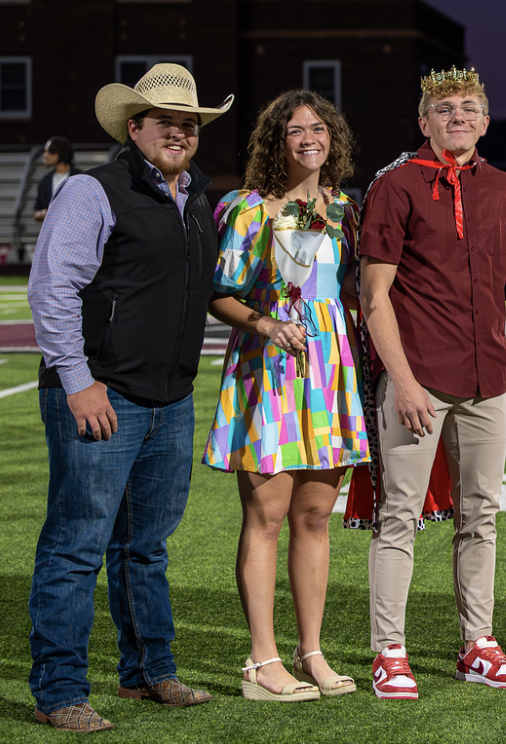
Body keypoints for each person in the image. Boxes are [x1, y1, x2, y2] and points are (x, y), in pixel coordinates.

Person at [27, 63, 230, 731]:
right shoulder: (94, 190)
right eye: (164, 120)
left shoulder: (195, 197)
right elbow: (53, 289)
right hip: (100, 395)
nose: (179, 131)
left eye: (189, 122)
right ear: (133, 126)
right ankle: (60, 689)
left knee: (145, 545)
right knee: (76, 544)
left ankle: (148, 672)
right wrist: (78, 380)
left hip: (169, 399)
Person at [359, 66, 506, 699]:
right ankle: (389, 650)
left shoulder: (501, 186)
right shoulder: (396, 186)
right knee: (400, 517)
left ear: (486, 120)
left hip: (487, 378)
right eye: (445, 108)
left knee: (482, 517)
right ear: (424, 121)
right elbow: (374, 298)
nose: (459, 116)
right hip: (419, 380)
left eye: (470, 107)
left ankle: (479, 644)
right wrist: (404, 382)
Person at [203, 90, 368, 701]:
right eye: (294, 128)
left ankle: (312, 653)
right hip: (267, 365)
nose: (308, 137)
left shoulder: (345, 210)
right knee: (267, 516)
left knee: (315, 517)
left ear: (334, 139)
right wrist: (266, 323)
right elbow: (220, 293)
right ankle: (261, 661)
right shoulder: (248, 209)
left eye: (319, 127)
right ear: (276, 140)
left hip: (329, 370)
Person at [33, 136, 82, 222]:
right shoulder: (45, 181)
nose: (45, 155)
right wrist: (45, 214)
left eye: (49, 151)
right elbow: (37, 212)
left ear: (59, 153)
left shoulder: (80, 178)